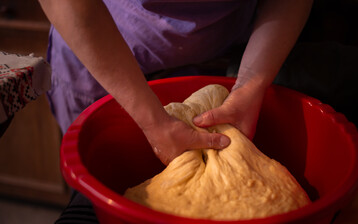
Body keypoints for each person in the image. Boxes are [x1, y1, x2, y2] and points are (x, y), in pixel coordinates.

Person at [38, 0, 313, 166]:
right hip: (101, 55)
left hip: (230, 49)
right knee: (103, 186)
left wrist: (251, 83)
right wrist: (152, 122)